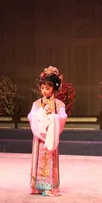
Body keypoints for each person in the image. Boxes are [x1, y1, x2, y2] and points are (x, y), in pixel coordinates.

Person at [27, 66, 68, 196]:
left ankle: (50, 187)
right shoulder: (36, 104)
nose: (44, 91)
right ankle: (37, 187)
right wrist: (40, 115)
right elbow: (31, 116)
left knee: (50, 159)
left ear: (54, 88)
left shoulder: (59, 105)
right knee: (38, 159)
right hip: (39, 137)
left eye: (48, 88)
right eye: (42, 87)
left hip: (50, 136)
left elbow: (63, 117)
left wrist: (53, 117)